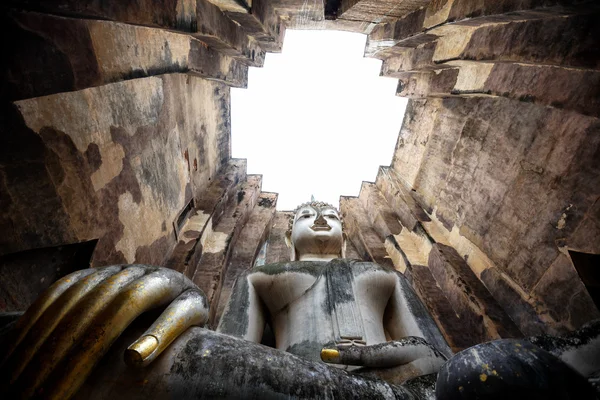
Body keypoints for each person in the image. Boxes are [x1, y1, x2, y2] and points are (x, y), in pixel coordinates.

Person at [1, 202, 596, 399]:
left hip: (388, 393)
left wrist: (364, 360)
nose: (319, 219)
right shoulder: (266, 277)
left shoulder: (377, 272)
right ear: (287, 232)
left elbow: (431, 357)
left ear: (346, 228)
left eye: (330, 214)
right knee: (154, 354)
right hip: (287, 383)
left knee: (484, 372)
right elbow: (232, 350)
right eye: (307, 214)